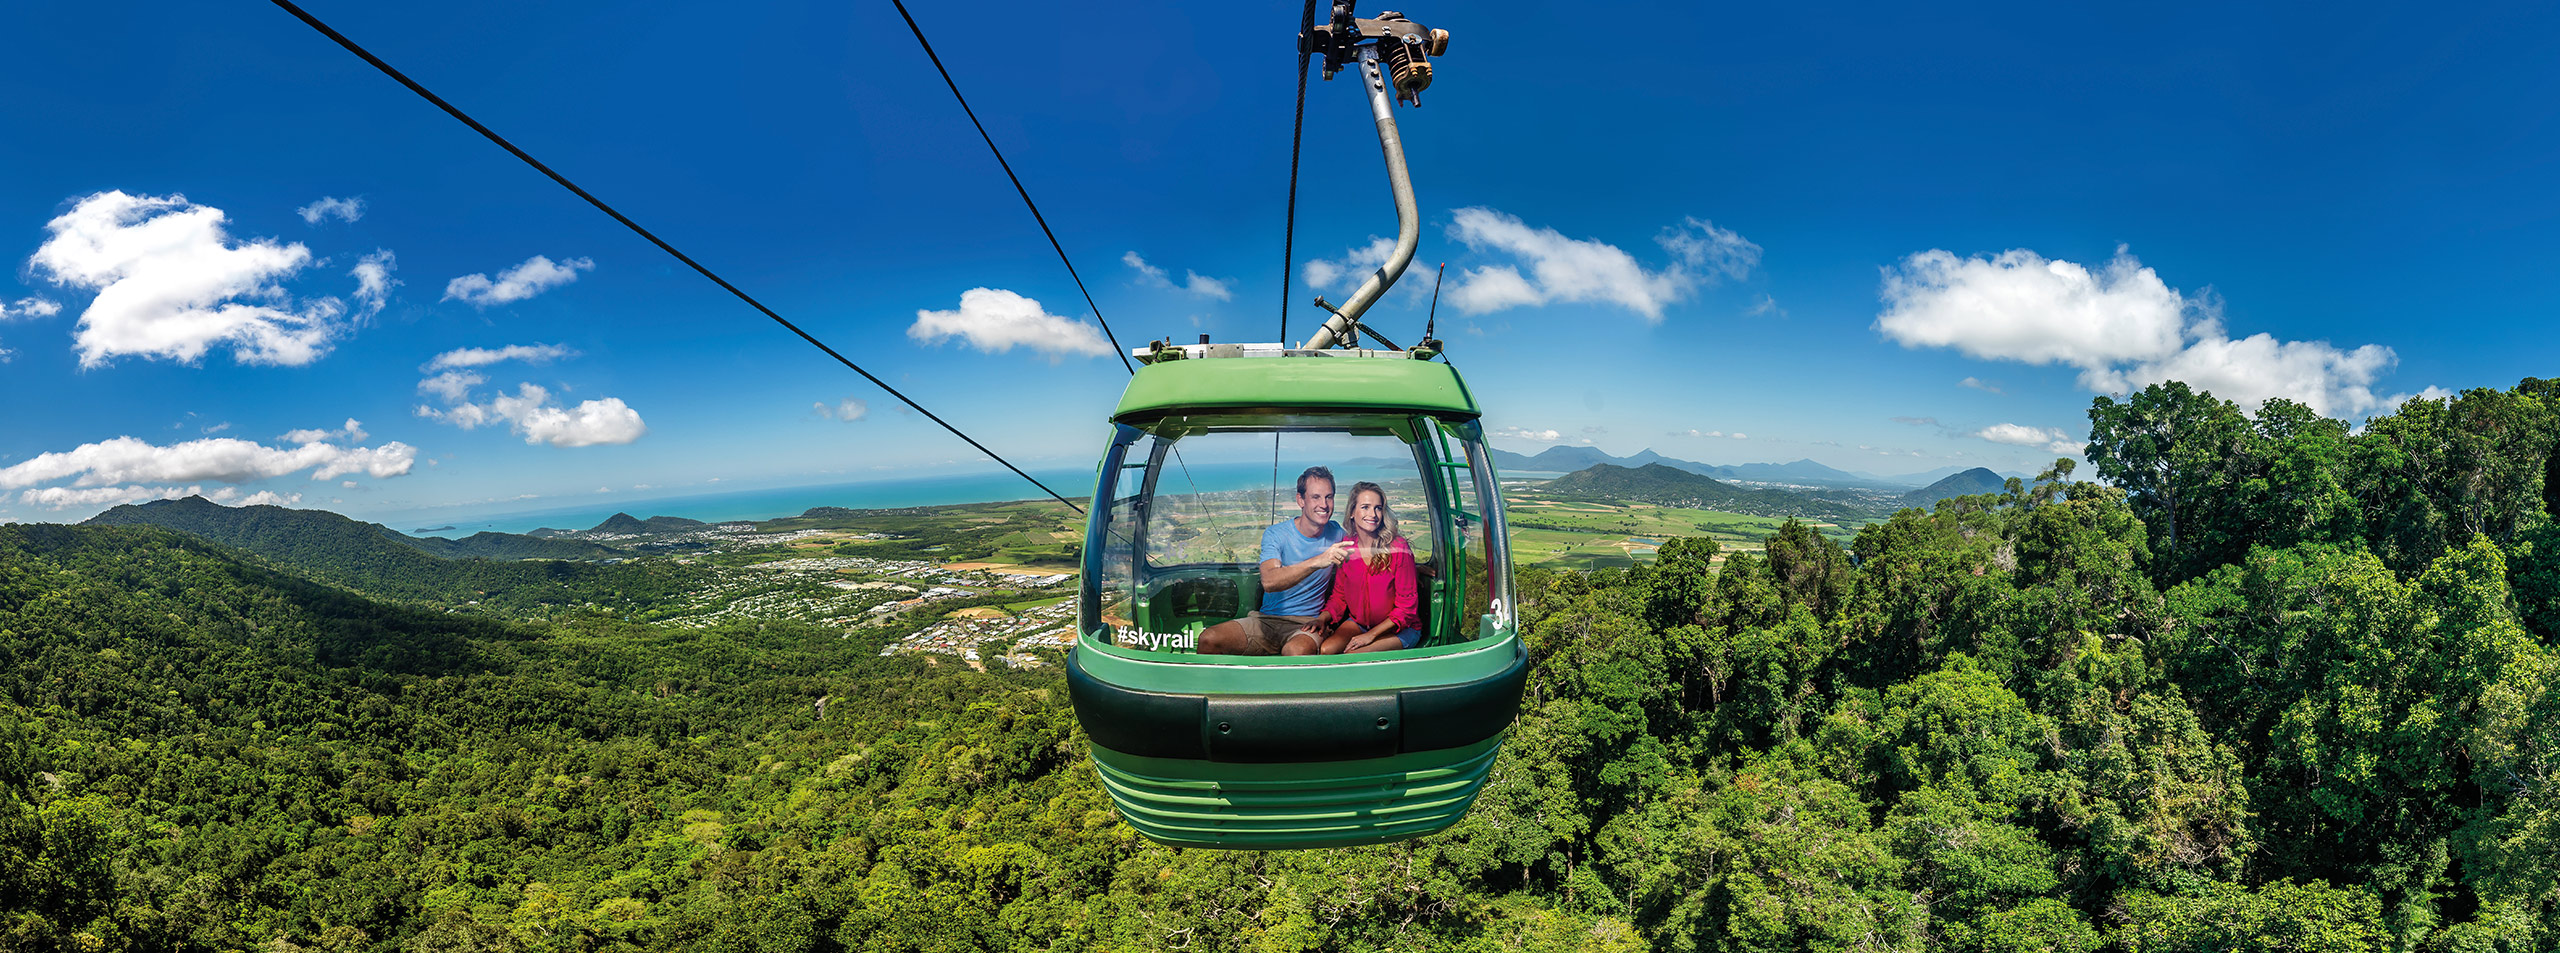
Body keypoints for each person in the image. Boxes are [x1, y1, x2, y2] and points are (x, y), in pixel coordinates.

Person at [1193, 466, 1354, 656]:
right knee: (1209, 639)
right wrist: (1318, 561)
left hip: (1307, 624)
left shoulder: (1338, 534)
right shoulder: (1277, 534)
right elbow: (1269, 581)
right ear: (1300, 500)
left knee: (1296, 651)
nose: (1324, 504)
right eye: (1316, 497)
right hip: (1266, 620)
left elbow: (1368, 549)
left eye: (1329, 497)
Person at [1295, 481, 1420, 655]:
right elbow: (1339, 596)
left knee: (1352, 655)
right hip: (1360, 624)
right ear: (1352, 512)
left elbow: (1406, 610)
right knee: (1326, 650)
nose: (1373, 514)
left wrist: (1370, 635)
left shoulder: (1399, 548)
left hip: (1400, 629)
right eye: (1365, 507)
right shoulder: (1347, 549)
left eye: (1378, 508)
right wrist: (1322, 619)